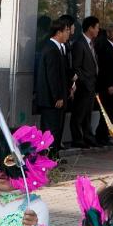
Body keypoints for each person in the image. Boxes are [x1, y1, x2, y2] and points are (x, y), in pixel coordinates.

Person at [35, 15, 75, 152]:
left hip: (56, 98)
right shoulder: (51, 49)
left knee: (56, 129)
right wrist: (57, 96)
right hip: (51, 101)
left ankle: (54, 156)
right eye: (66, 31)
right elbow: (52, 77)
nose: (68, 34)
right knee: (51, 130)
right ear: (59, 32)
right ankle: (50, 157)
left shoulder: (57, 48)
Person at [68, 16, 100, 149]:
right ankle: (77, 138)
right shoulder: (79, 43)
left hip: (91, 85)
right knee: (79, 113)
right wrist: (84, 81)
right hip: (83, 86)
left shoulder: (91, 43)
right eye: (97, 27)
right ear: (90, 28)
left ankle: (88, 136)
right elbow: (76, 67)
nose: (98, 30)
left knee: (87, 113)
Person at [94, 22, 113, 146]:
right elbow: (104, 68)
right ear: (108, 33)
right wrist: (109, 85)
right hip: (108, 87)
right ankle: (101, 136)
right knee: (106, 112)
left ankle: (105, 135)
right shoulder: (105, 46)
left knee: (111, 112)